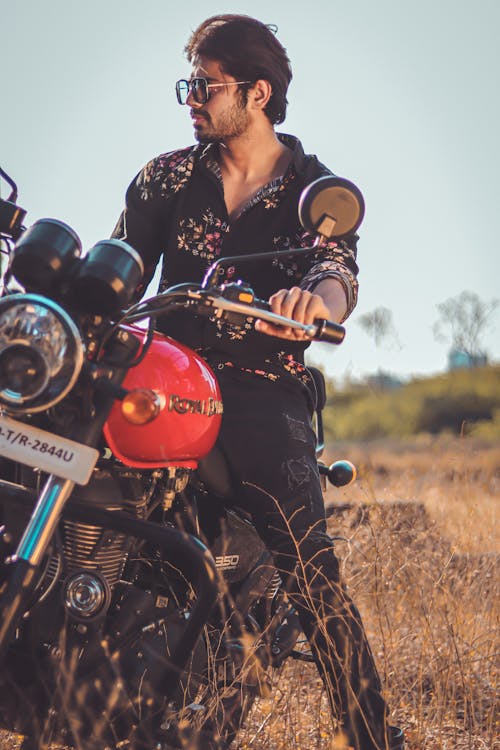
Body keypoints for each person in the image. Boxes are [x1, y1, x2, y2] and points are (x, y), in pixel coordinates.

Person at [112, 14, 404, 750]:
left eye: (204, 85)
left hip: (259, 393)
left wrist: (314, 307)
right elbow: (120, 267)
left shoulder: (315, 190)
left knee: (313, 574)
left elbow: (336, 273)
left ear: (258, 92)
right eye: (188, 83)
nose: (190, 98)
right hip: (163, 381)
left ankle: (373, 734)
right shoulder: (167, 177)